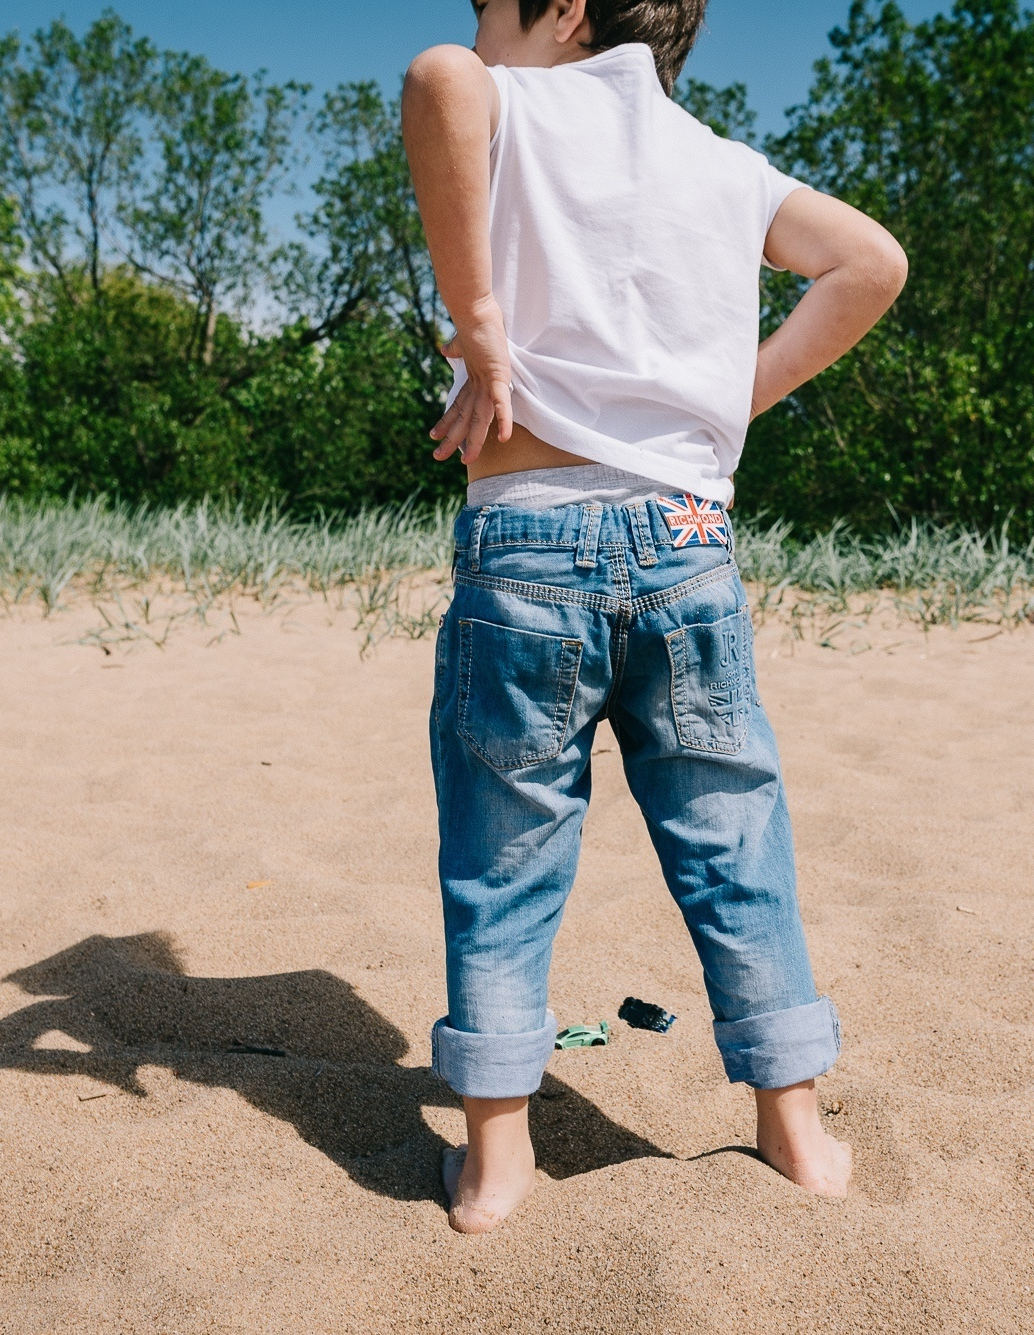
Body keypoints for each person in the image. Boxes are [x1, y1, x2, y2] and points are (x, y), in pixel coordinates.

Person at [402, 0, 907, 1234]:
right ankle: (792, 1127)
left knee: (503, 849)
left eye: (486, 8)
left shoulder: (498, 95)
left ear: (563, 10)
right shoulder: (721, 166)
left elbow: (437, 81)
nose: (467, 30)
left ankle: (499, 1159)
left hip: (529, 531)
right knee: (732, 835)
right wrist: (721, 404)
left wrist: (481, 335)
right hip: (688, 542)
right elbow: (870, 263)